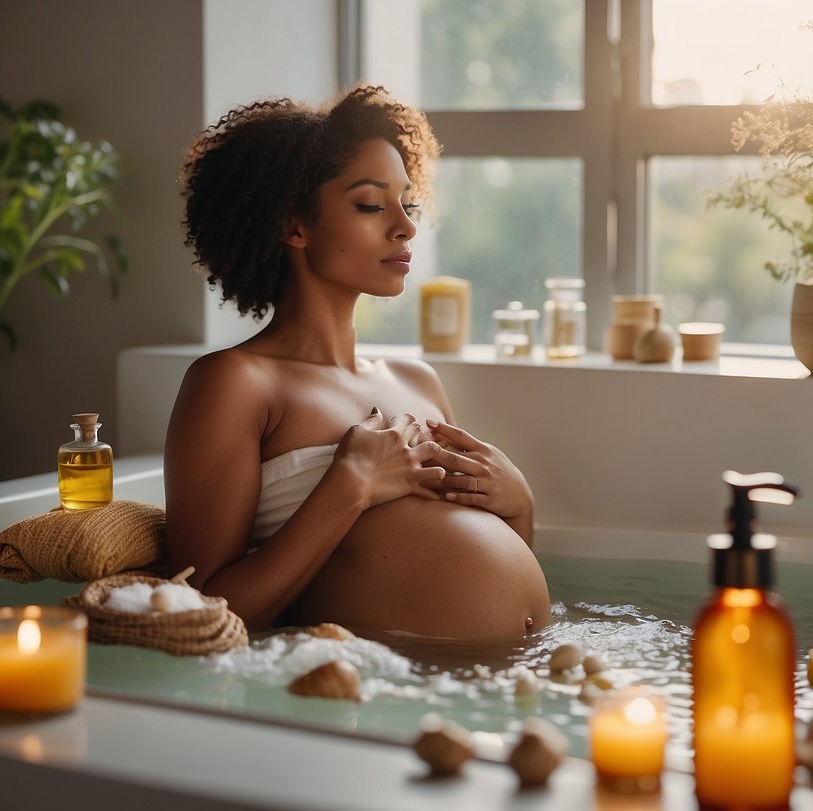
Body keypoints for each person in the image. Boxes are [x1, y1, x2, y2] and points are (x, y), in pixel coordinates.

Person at [165, 85, 551, 640]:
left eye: (407, 203)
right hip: (366, 687)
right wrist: (350, 484)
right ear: (292, 225)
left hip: (520, 668)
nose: (405, 226)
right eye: (371, 204)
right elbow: (198, 610)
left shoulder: (418, 381)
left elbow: (459, 553)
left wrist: (519, 506)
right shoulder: (235, 383)